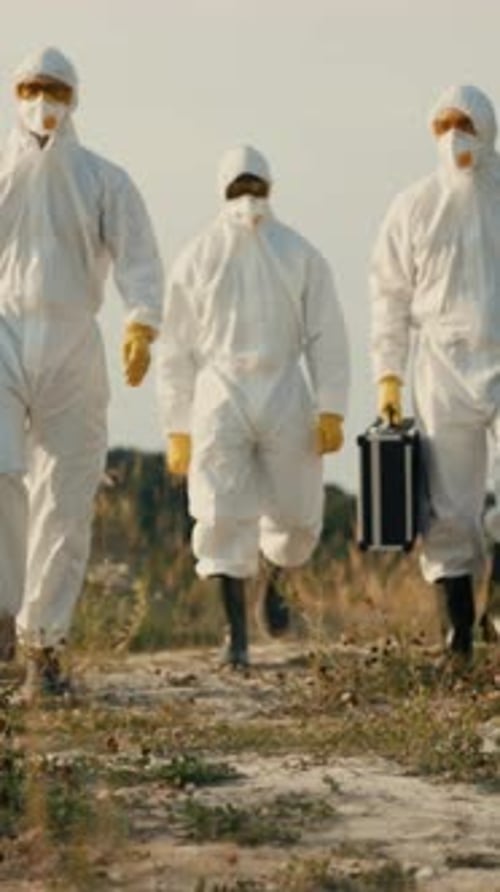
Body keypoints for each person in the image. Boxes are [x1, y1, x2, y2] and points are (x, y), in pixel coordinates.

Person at [0, 47, 163, 698]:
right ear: (16, 94)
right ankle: (2, 617)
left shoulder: (103, 180)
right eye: (31, 89)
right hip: (2, 332)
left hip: (74, 342)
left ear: (73, 99)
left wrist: (142, 321)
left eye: (55, 90)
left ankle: (44, 648)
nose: (43, 102)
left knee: (65, 496)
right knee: (2, 477)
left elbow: (139, 256)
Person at [157, 144, 350, 668]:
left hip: (285, 387)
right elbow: (175, 346)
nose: (247, 198)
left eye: (255, 187)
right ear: (223, 191)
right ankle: (236, 636)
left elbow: (327, 333)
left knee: (298, 512)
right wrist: (177, 426)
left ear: (270, 189)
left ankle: (276, 575)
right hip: (220, 391)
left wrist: (331, 407)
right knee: (220, 512)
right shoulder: (197, 257)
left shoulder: (299, 255)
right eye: (238, 188)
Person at [371, 84, 500, 664]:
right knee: (450, 505)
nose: (455, 137)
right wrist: (388, 375)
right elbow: (389, 296)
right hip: (442, 368)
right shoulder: (414, 207)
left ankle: (498, 602)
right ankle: (458, 634)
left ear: (487, 128)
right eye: (444, 126)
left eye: (465, 124)